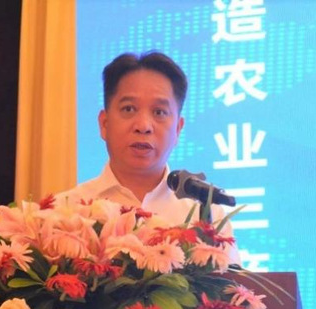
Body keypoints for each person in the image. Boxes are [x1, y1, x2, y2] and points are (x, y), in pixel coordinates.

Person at [59, 51, 240, 264]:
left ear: (178, 129)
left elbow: (232, 284)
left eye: (159, 112)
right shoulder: (65, 212)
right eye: (129, 109)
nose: (143, 126)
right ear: (104, 124)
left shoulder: (207, 216)